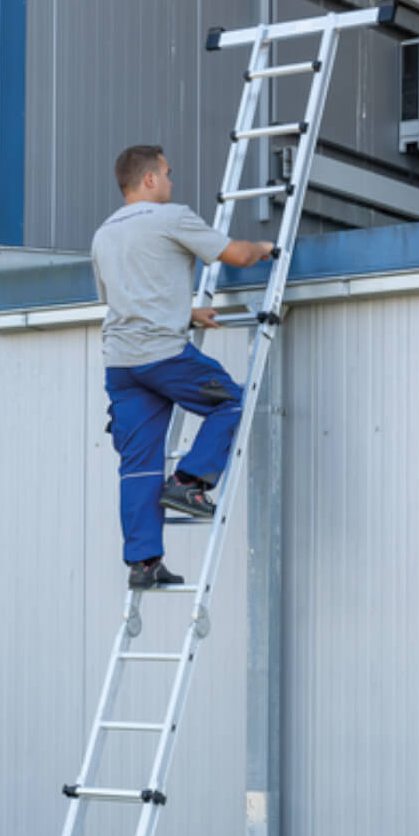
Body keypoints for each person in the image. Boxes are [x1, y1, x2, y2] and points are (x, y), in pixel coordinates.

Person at [91, 145, 274, 590]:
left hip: (121, 366)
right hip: (164, 356)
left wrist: (186, 312)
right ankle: (190, 482)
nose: (172, 183)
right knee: (233, 403)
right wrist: (268, 247)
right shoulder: (170, 216)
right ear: (150, 179)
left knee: (137, 464)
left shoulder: (103, 235)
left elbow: (122, 300)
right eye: (168, 174)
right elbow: (238, 256)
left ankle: (144, 563)